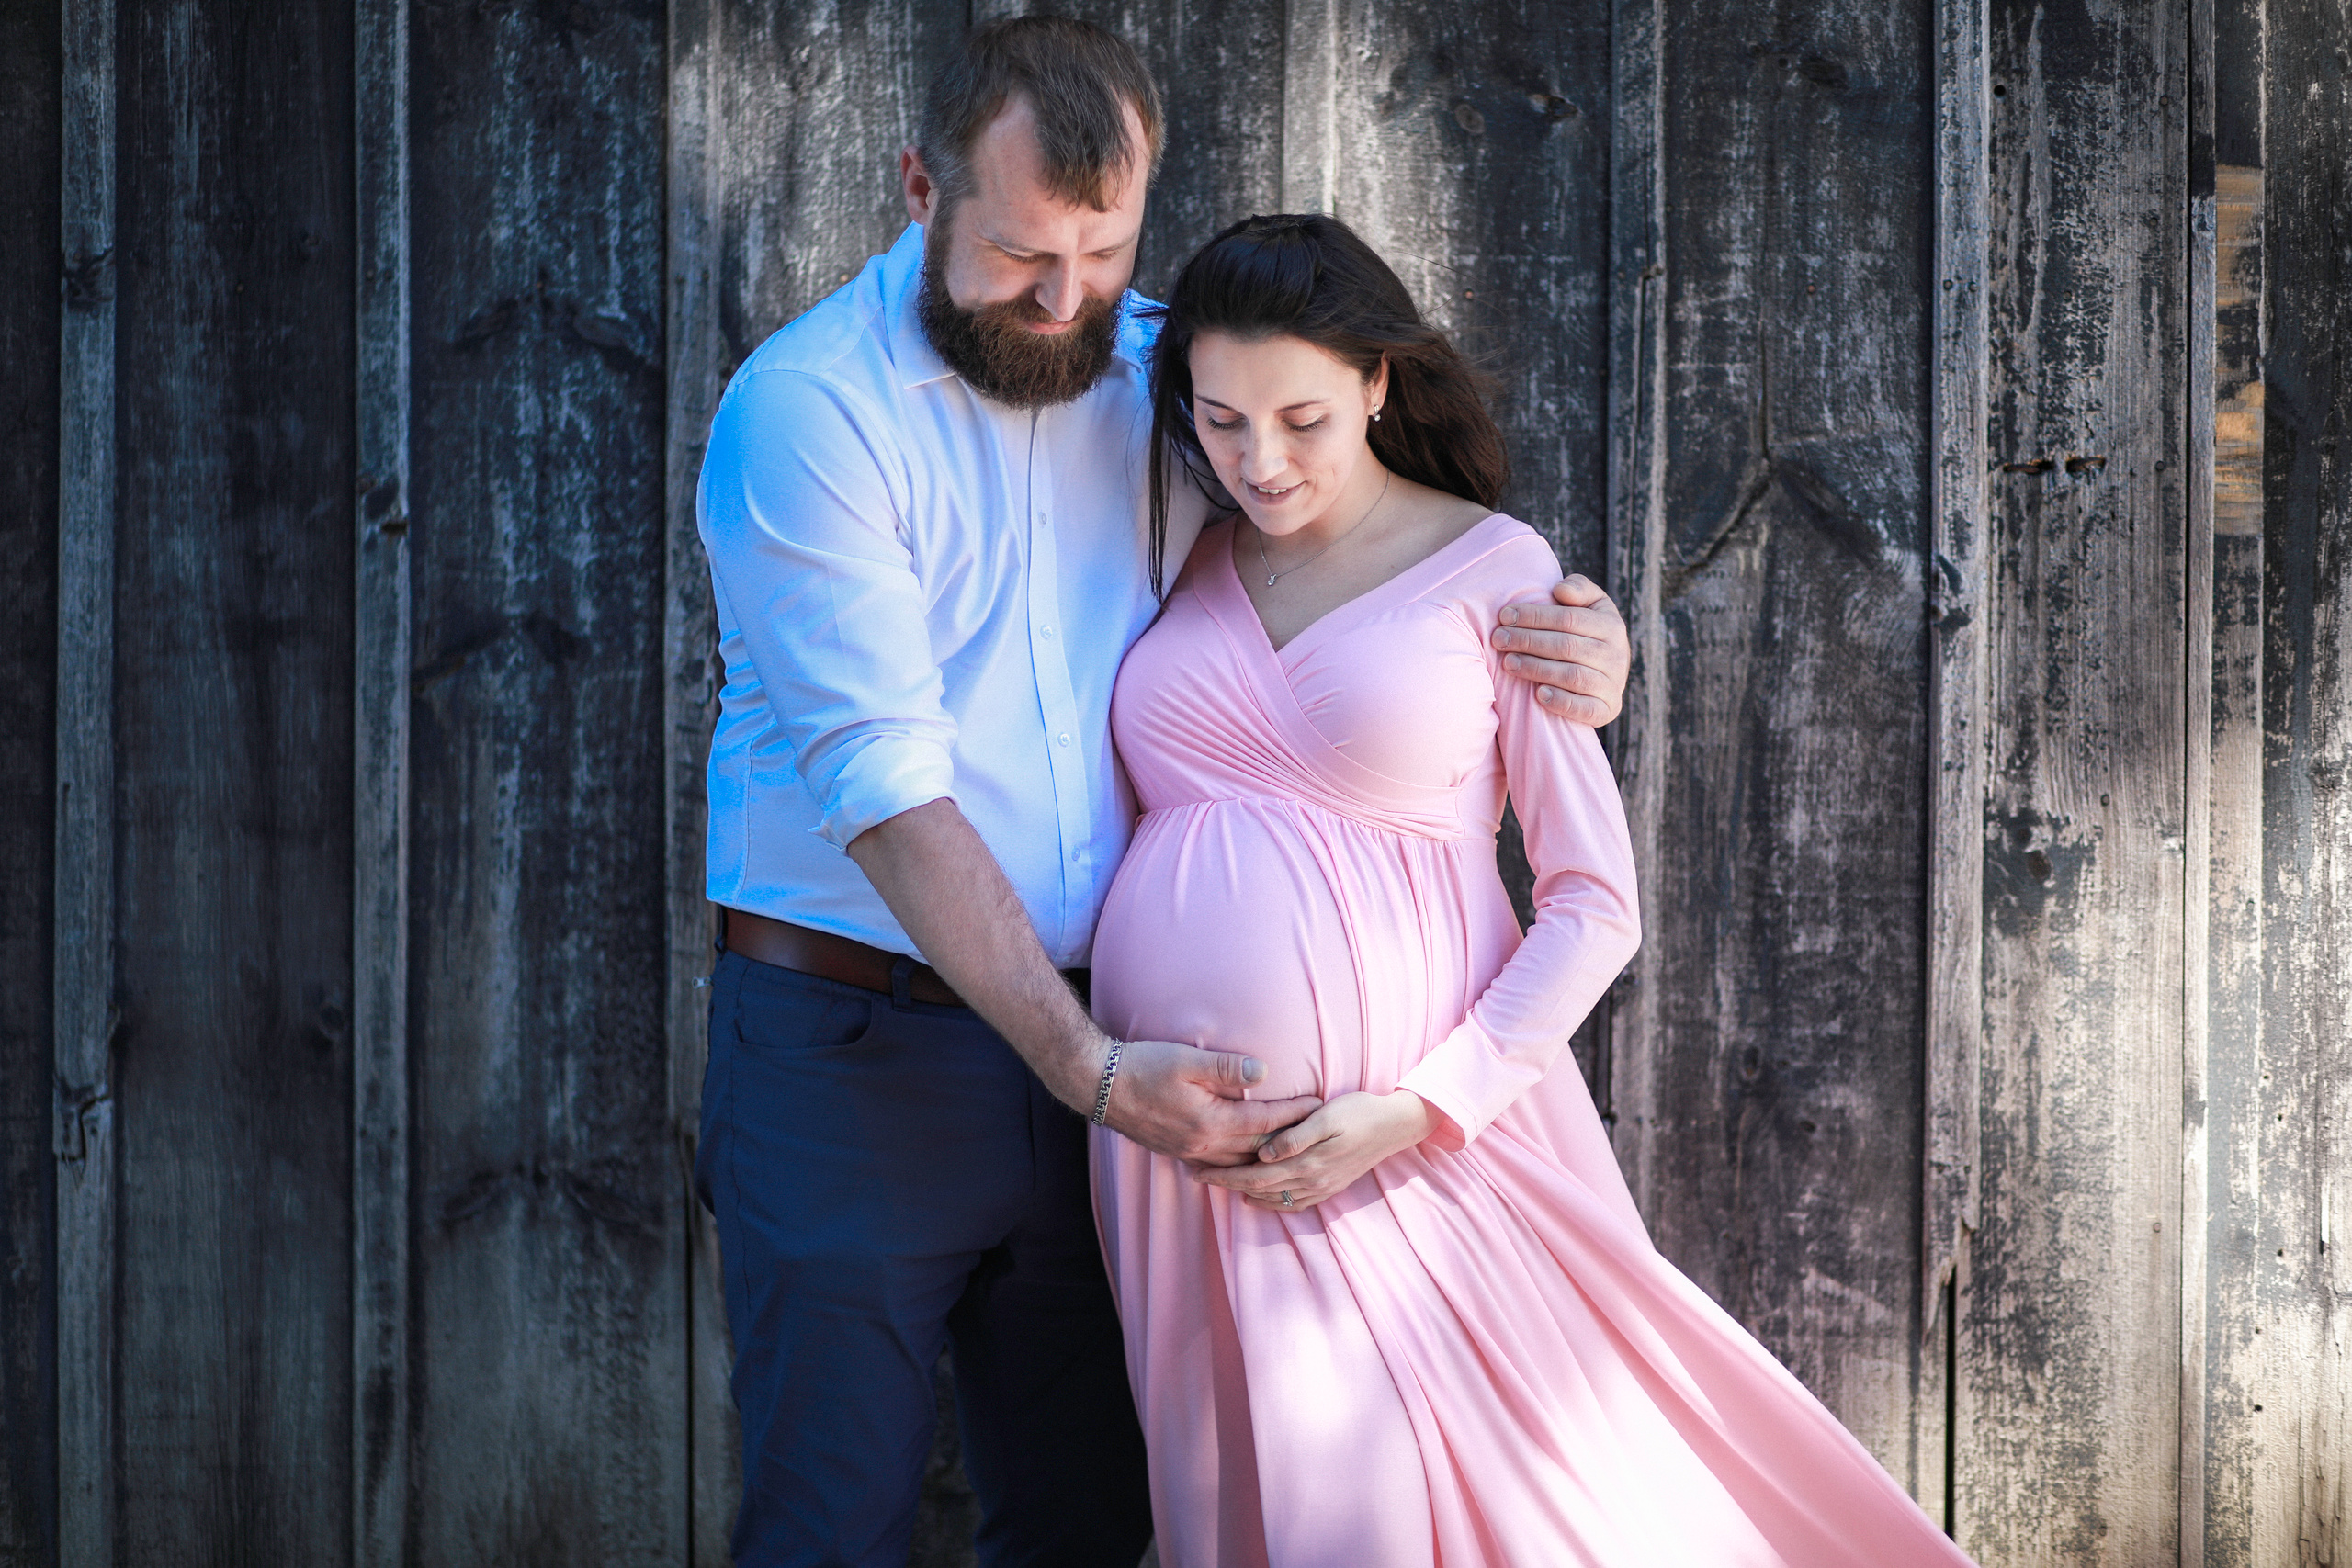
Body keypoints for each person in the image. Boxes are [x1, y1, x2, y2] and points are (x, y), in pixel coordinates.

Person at [690, 19, 1630, 1568]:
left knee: (1089, 1523)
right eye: (1018, 254)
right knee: (828, 1525)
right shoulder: (812, 413)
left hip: (1125, 1086)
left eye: (1104, 250)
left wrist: (1571, 641)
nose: (1065, 299)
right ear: (921, 188)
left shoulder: (1172, 377)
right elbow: (885, 785)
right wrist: (1091, 1070)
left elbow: (1367, 544)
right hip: (865, 1050)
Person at [1088, 213, 1980, 1568]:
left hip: (1406, 1145)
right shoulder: (1182, 553)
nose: (1259, 462)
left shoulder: (1495, 569)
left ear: (1377, 384)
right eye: (1221, 422)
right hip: (1176, 1150)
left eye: (1303, 420)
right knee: (1239, 1508)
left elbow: (1594, 904)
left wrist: (1421, 1107)